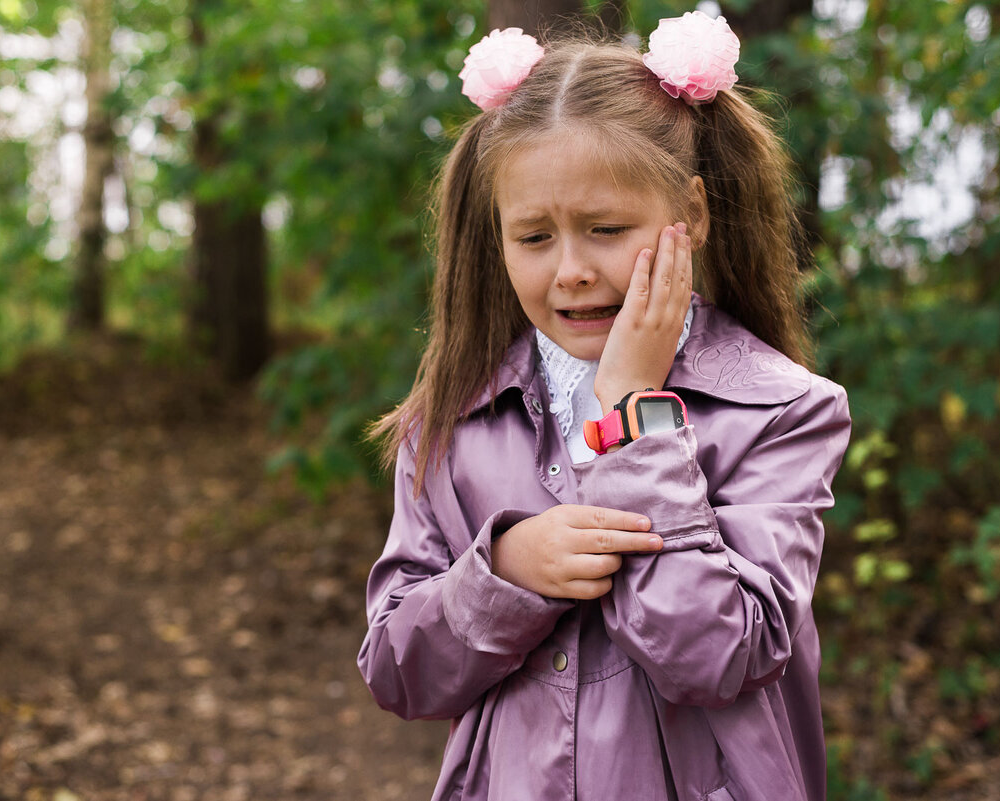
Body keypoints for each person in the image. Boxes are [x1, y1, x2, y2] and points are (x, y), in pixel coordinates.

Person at [358, 13, 851, 801]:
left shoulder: (781, 411)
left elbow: (718, 654)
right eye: (534, 237)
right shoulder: (451, 421)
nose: (573, 270)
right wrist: (505, 571)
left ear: (690, 211)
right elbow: (397, 671)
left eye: (606, 229)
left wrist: (632, 415)